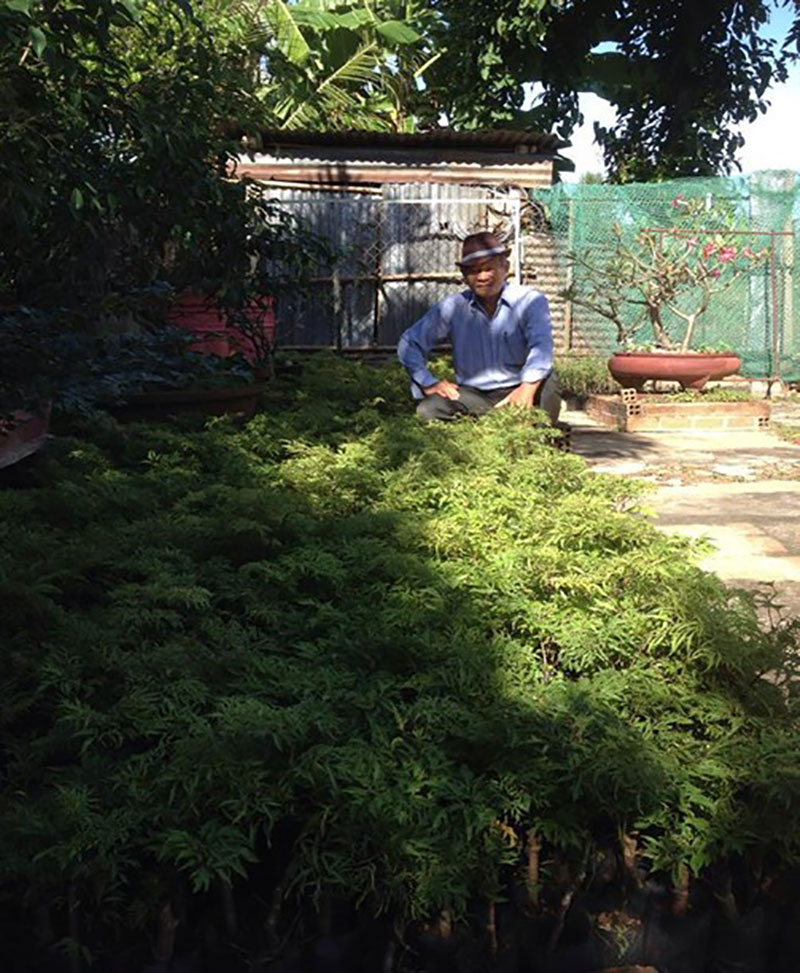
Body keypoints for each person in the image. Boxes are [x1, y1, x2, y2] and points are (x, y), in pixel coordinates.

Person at [397, 232, 562, 424]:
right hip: (474, 397)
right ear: (464, 276)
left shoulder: (530, 300)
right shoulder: (453, 307)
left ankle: (537, 436)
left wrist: (526, 389)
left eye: (488, 268)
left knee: (549, 382)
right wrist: (428, 383)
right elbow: (409, 343)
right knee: (428, 410)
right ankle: (481, 434)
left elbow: (541, 349)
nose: (482, 277)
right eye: (474, 271)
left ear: (505, 268)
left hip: (521, 386)